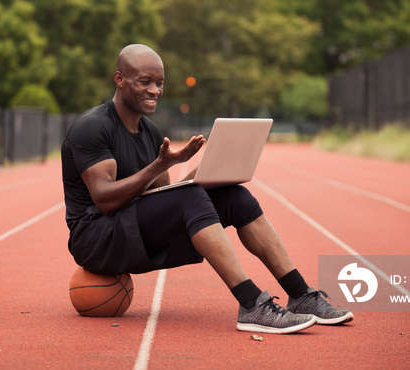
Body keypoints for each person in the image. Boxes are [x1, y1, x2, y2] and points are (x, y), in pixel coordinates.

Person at [62, 44, 352, 334]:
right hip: (95, 238)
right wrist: (159, 165)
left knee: (234, 197)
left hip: (131, 231)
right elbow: (104, 200)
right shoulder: (93, 127)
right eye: (145, 82)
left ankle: (300, 295)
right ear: (119, 79)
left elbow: (162, 199)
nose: (155, 90)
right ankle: (252, 304)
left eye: (160, 83)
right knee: (188, 199)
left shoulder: (148, 131)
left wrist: (203, 175)